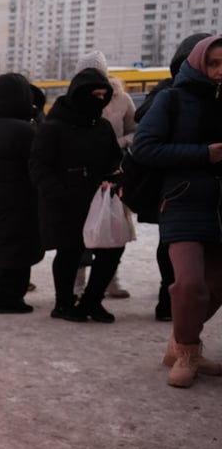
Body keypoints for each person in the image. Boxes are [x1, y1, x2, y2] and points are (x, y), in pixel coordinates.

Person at [131, 34, 222, 388]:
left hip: (220, 205)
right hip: (183, 201)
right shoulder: (172, 99)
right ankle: (186, 351)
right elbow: (145, 148)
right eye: (213, 63)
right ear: (198, 63)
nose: (218, 71)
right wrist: (205, 154)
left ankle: (184, 343)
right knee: (188, 284)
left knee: (217, 285)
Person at [29, 67, 123, 323]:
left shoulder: (101, 125)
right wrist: (59, 192)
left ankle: (92, 301)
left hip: (100, 200)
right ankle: (63, 303)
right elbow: (38, 165)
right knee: (69, 252)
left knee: (111, 248)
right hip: (65, 202)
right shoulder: (54, 126)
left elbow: (115, 156)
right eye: (95, 94)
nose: (100, 100)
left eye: (104, 95)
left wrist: (114, 178)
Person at [0, 73, 44, 313]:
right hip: (18, 201)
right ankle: (7, 299)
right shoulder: (24, 130)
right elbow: (39, 161)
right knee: (17, 251)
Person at [72, 50, 137, 300]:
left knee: (113, 226)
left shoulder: (122, 100)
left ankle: (111, 280)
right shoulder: (75, 99)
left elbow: (135, 132)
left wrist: (117, 143)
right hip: (83, 174)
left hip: (114, 170)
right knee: (83, 230)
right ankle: (77, 284)